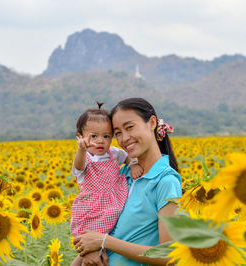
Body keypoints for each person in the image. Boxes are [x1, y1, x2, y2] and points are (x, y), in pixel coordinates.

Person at [73, 98, 182, 266]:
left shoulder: (165, 182)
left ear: (152, 123)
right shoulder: (122, 174)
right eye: (117, 133)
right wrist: (89, 251)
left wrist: (104, 242)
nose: (124, 138)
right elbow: (100, 232)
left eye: (129, 127)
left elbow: (170, 256)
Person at [70, 102, 144, 266]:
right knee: (89, 252)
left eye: (106, 136)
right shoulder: (86, 158)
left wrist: (133, 165)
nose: (100, 141)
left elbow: (127, 157)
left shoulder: (114, 153)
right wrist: (81, 149)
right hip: (92, 212)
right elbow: (79, 166)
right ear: (80, 136)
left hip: (111, 208)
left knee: (98, 253)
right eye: (93, 136)